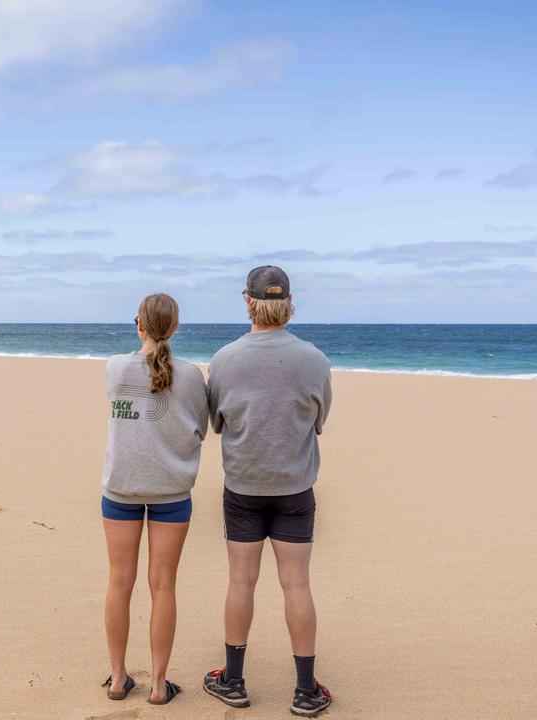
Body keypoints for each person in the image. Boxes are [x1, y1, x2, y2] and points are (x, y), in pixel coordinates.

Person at [201, 266, 333, 717]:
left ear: (248, 302)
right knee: (296, 584)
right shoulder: (314, 359)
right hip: (295, 487)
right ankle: (305, 691)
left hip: (243, 486)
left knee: (242, 581)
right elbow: (319, 420)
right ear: (289, 302)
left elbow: (217, 423)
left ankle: (233, 680)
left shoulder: (224, 359)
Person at [100, 292, 209, 706]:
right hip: (170, 490)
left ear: (139, 324)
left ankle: (117, 678)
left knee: (119, 581)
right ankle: (160, 684)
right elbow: (200, 428)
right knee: (162, 586)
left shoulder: (115, 369)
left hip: (122, 488)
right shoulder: (192, 375)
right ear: (176, 327)